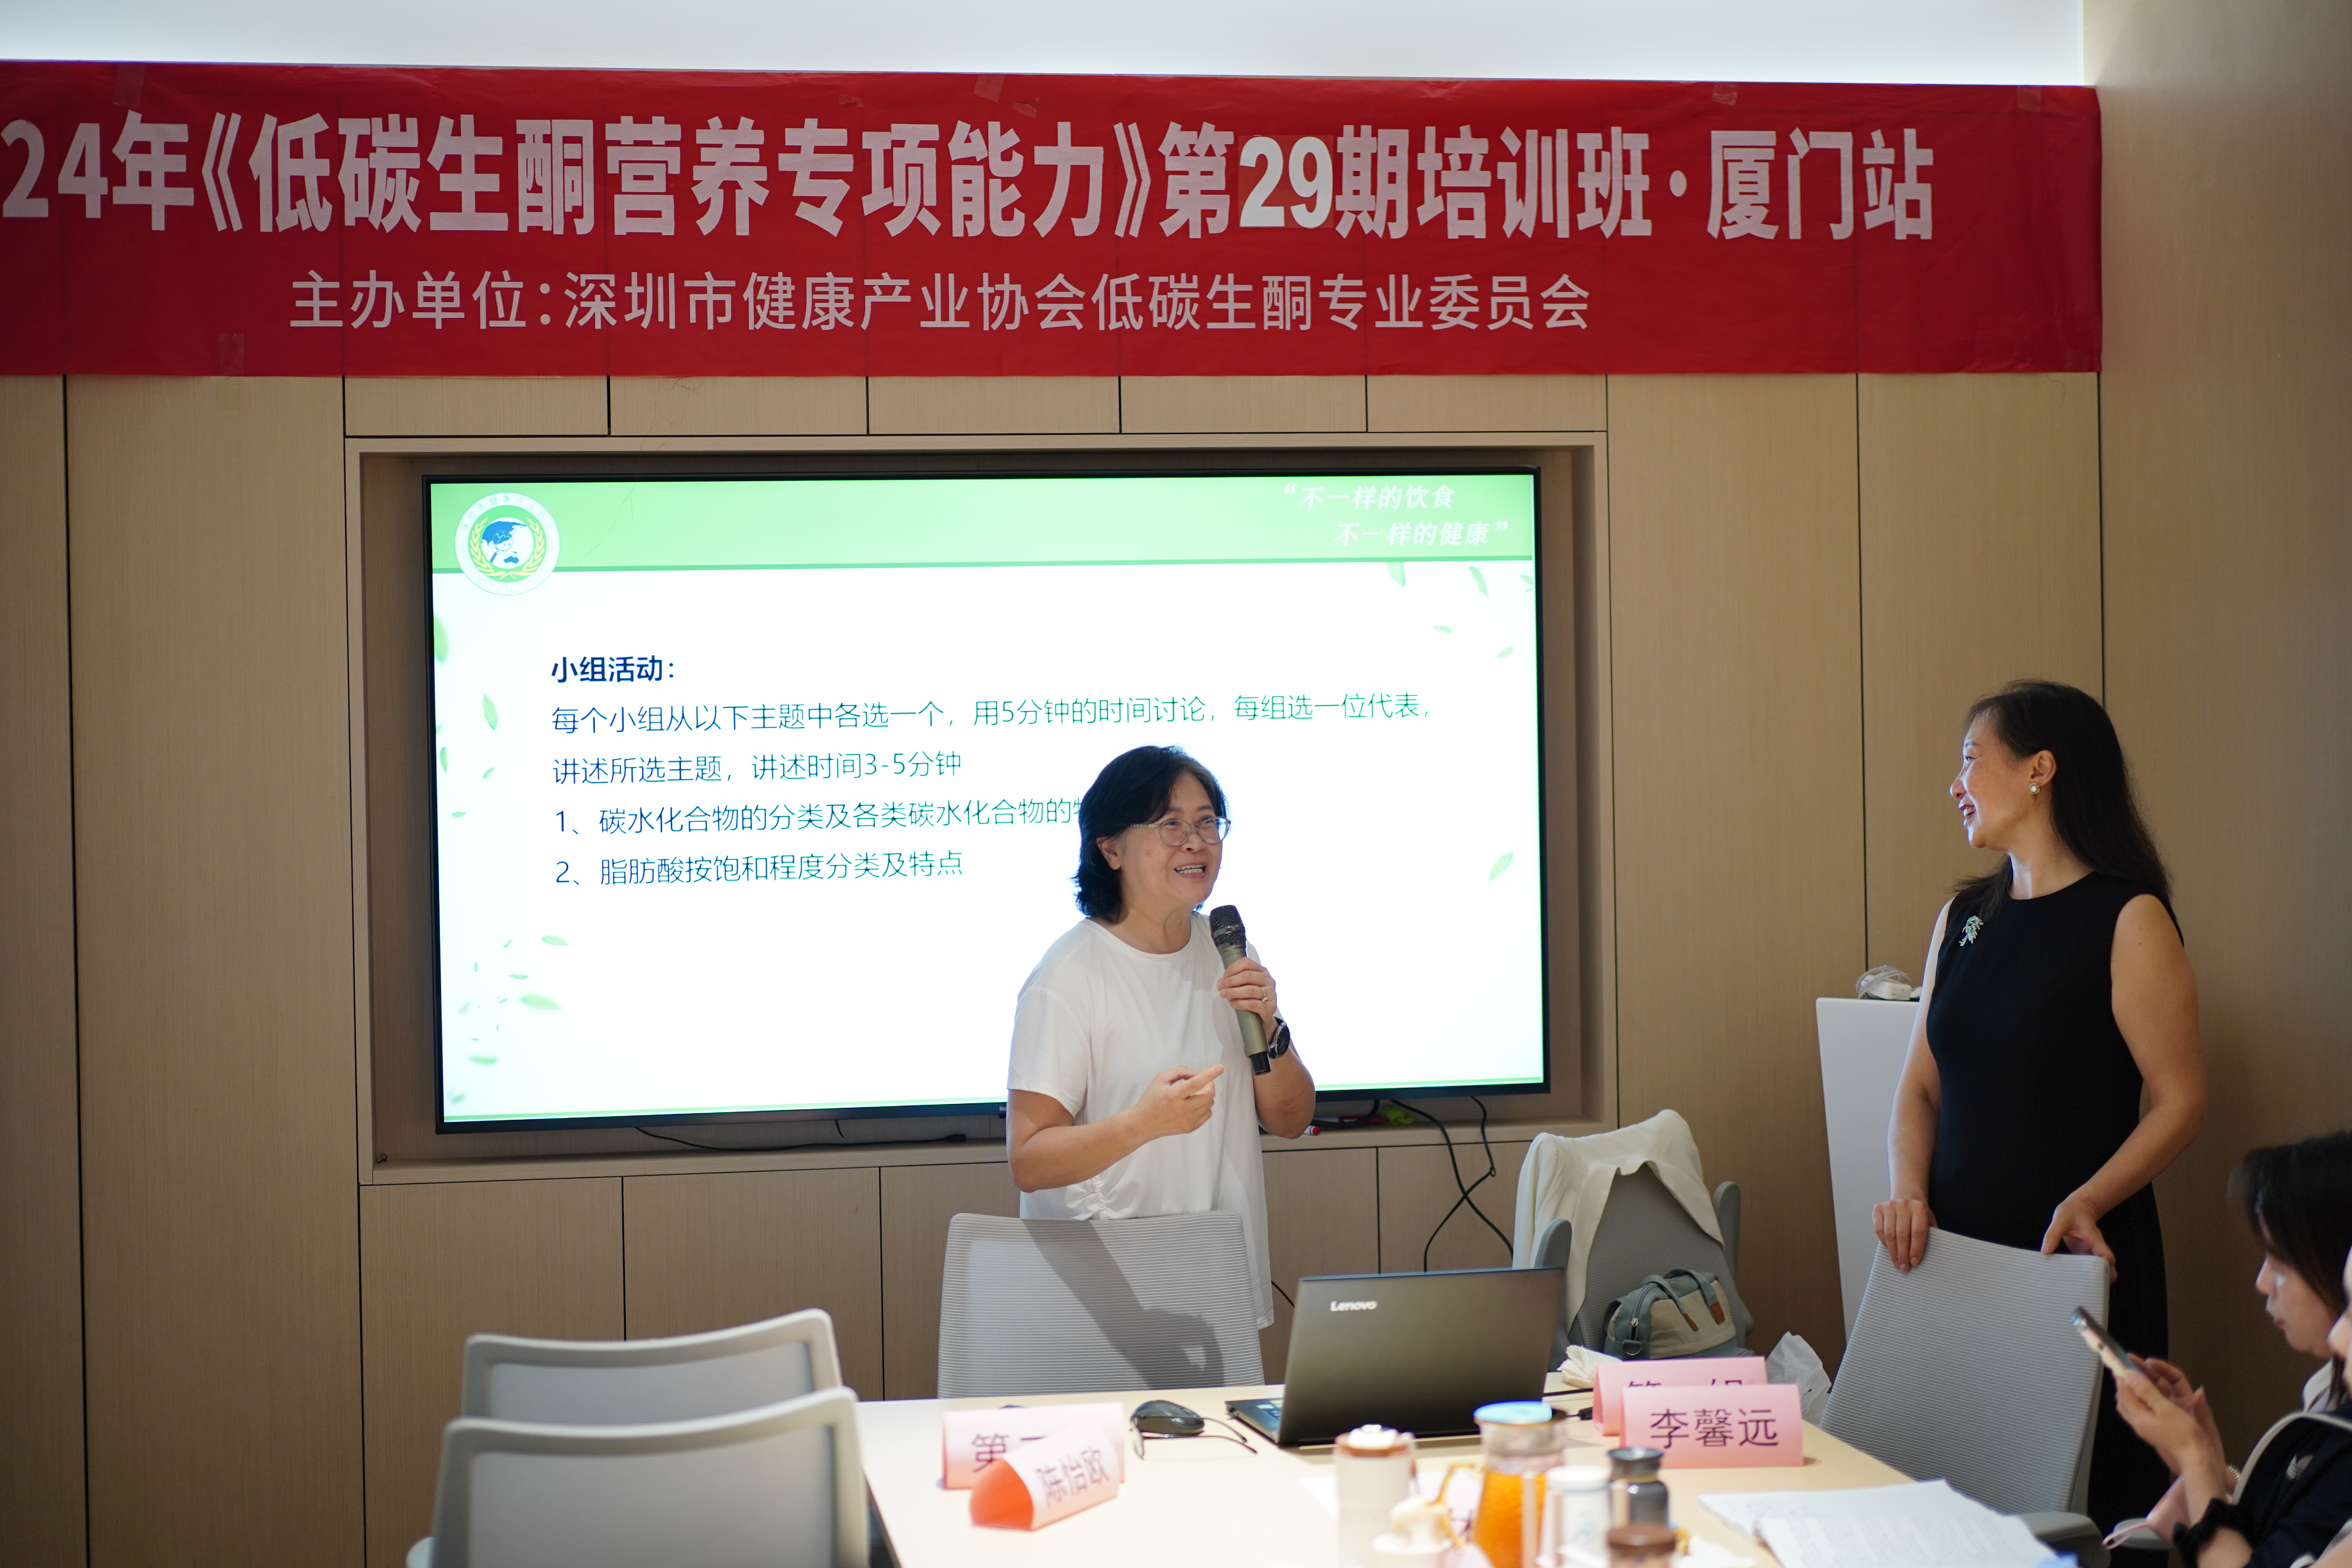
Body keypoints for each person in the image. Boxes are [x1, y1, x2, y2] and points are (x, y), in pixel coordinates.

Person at [1872, 680, 2208, 1525]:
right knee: (1957, 1503)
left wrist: (2089, 1198)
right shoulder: (1964, 917)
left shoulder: (2127, 917)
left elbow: (2182, 1100)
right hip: (1954, 1263)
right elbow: (1918, 1087)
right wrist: (1908, 1191)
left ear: (2040, 770)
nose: (1955, 784)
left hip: (2073, 1263)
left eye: (1970, 760)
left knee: (2078, 1512)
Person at [1006, 745, 1316, 1328]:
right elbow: (1029, 1161)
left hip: (1216, 1276)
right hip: (1108, 1295)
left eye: (1207, 823)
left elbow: (1292, 1120)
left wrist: (1270, 1026)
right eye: (1171, 825)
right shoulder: (1068, 976)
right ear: (1110, 848)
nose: (1195, 843)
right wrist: (1143, 1124)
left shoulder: (1230, 954)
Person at [2107, 1132, 2352, 1568]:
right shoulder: (2330, 1393)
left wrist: (2194, 1455)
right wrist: (2213, 1470)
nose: (2262, 1282)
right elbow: (2294, 1536)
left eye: (2281, 1264)